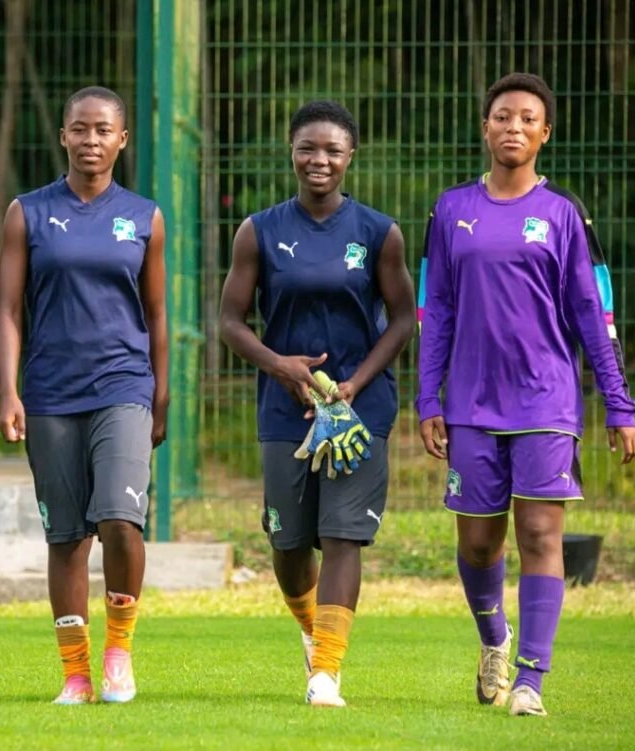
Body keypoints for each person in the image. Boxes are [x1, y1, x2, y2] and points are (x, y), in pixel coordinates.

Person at [416, 72, 635, 717]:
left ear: (545, 133)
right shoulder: (451, 210)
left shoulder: (564, 215)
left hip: (546, 402)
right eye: (502, 116)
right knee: (479, 544)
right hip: (470, 407)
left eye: (527, 118)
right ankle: (494, 640)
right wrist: (429, 400)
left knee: (541, 533)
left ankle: (530, 682)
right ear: (484, 128)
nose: (513, 127)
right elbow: (437, 314)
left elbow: (593, 317)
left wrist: (619, 404)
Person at [219, 100, 415, 707]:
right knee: (287, 543)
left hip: (360, 409)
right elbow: (230, 320)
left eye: (332, 149)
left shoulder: (378, 233)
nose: (319, 160)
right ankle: (312, 631)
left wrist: (356, 383)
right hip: (285, 412)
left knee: (342, 537)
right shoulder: (259, 230)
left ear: (350, 155)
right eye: (308, 148)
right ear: (292, 151)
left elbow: (405, 317)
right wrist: (277, 363)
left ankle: (326, 672)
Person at [0, 86, 168, 705]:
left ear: (121, 140)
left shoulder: (144, 215)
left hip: (123, 385)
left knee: (120, 523)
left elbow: (155, 313)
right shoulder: (28, 213)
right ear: (63, 136)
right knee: (66, 537)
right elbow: (9, 310)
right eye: (79, 129)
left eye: (103, 131)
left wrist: (162, 395)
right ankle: (76, 674)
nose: (90, 140)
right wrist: (9, 391)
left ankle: (119, 651)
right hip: (50, 393)